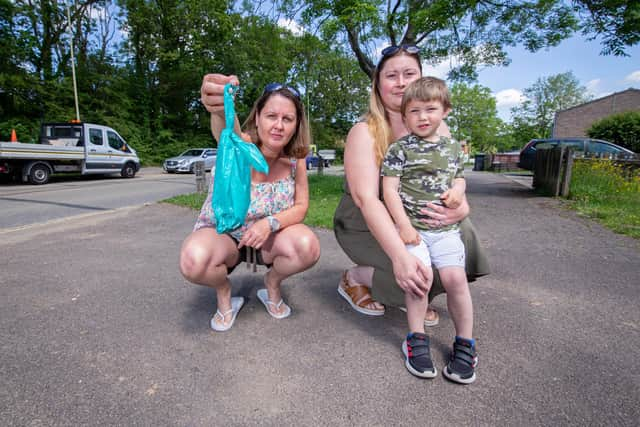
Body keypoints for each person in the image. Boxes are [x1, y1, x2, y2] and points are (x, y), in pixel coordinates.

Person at [333, 46, 489, 332]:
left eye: (409, 74)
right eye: (392, 75)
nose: (401, 82)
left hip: (413, 214)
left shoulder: (439, 129)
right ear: (378, 85)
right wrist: (401, 256)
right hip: (364, 221)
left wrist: (461, 207)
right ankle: (357, 277)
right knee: (412, 269)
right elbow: (367, 200)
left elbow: (452, 177)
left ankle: (417, 290)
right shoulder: (364, 132)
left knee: (464, 238)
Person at [180, 80, 321, 331]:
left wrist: (270, 223)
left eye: (287, 119)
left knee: (307, 247)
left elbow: (301, 207)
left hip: (267, 240)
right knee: (193, 260)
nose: (278, 125)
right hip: (224, 236)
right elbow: (226, 129)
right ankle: (224, 291)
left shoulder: (295, 160)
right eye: (271, 116)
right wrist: (219, 107)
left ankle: (272, 282)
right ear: (257, 118)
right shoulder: (240, 145)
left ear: (296, 124)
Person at [381, 76, 476, 383]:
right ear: (404, 115)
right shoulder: (400, 149)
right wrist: (404, 227)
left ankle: (466, 343)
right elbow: (389, 191)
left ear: (445, 110)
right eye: (415, 111)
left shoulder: (452, 147)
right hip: (414, 230)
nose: (423, 117)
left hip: (444, 230)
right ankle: (416, 338)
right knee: (419, 279)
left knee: (455, 279)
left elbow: (459, 177)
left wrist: (458, 192)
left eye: (430, 109)